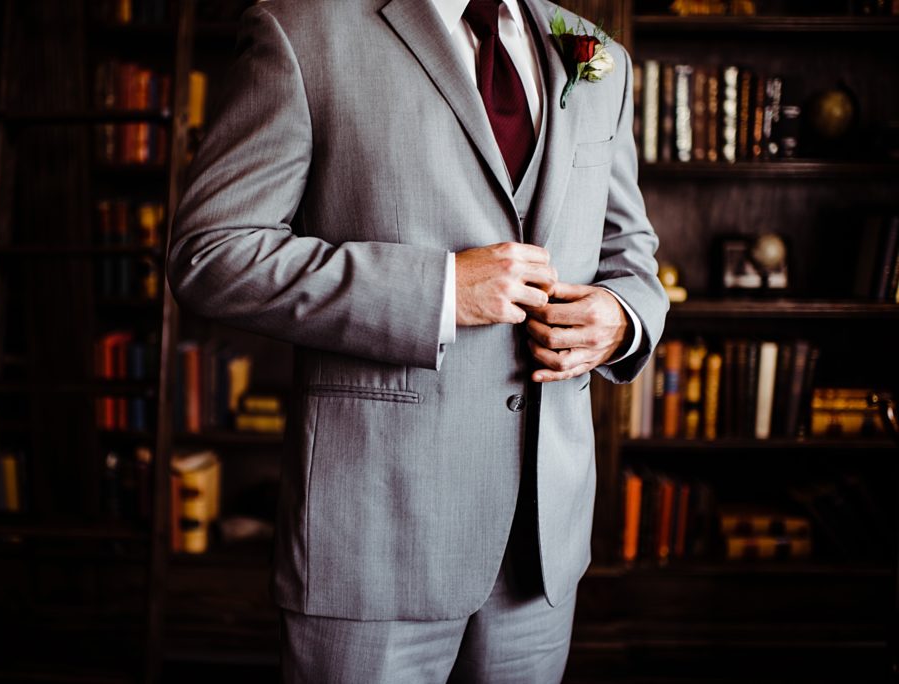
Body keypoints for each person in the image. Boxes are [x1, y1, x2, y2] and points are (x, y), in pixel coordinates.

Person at [166, 0, 668, 681]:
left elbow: (630, 254)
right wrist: (434, 292)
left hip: (541, 555)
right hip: (375, 545)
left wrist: (620, 319)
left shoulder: (591, 50)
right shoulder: (304, 29)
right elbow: (211, 254)